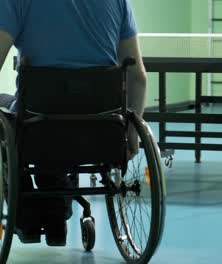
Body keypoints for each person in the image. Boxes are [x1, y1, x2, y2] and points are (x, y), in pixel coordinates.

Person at [0, 0, 147, 246]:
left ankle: (26, 216)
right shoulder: (118, 2)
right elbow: (138, 78)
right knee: (58, 120)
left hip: (38, 128)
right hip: (102, 130)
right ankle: (56, 215)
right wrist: (131, 134)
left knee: (10, 115)